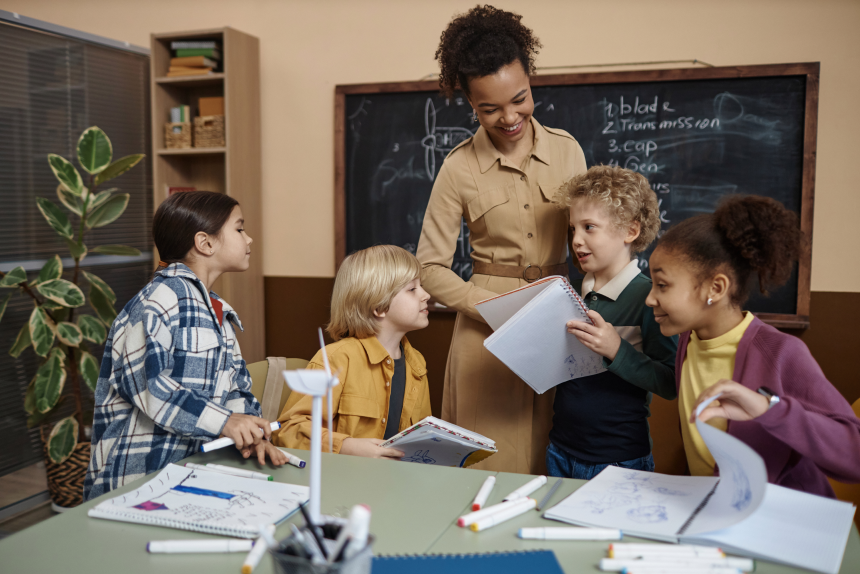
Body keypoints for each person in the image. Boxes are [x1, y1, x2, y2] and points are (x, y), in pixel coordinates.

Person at [416, 5, 587, 474]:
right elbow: (429, 268)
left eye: (520, 99)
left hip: (559, 322)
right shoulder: (457, 167)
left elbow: (592, 238)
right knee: (487, 465)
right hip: (485, 331)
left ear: (530, 79)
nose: (509, 117)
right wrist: (489, 305)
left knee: (554, 459)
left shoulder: (569, 149)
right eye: (489, 108)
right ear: (470, 104)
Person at [646, 194, 860, 496]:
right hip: (723, 513)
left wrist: (768, 408)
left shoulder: (781, 353)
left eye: (663, 285)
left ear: (715, 288)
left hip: (785, 523)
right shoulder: (687, 340)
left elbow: (854, 455)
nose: (650, 298)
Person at [84, 191, 286, 500]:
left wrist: (252, 433)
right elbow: (150, 386)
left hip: (192, 473)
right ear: (205, 243)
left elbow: (235, 387)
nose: (249, 239)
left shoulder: (217, 310)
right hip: (139, 480)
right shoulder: (158, 300)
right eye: (239, 228)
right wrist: (225, 422)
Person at [547, 166, 677, 479]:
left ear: (630, 232)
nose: (576, 240)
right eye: (573, 229)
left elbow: (670, 381)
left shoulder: (648, 297)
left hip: (619, 459)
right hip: (560, 449)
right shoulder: (569, 291)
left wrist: (616, 349)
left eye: (589, 227)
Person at [273, 245, 433, 458]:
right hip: (343, 482)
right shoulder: (336, 359)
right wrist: (346, 446)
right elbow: (289, 431)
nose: (426, 295)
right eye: (412, 289)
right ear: (379, 306)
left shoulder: (416, 363)